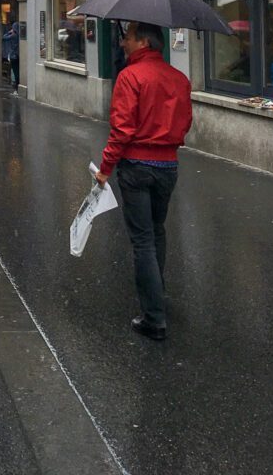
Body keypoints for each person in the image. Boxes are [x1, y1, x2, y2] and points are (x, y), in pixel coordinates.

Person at [95, 21, 192, 341]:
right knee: (157, 230)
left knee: (142, 240)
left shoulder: (130, 76)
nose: (122, 43)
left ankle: (153, 316)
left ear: (144, 43)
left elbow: (122, 129)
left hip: (136, 165)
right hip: (168, 167)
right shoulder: (179, 79)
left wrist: (106, 167)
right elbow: (185, 121)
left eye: (128, 38)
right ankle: (156, 292)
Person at [2, 22, 20, 93]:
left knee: (15, 72)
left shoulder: (13, 35)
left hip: (13, 56)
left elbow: (4, 37)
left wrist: (9, 32)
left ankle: (16, 89)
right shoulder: (18, 35)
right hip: (18, 55)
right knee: (17, 71)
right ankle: (16, 86)